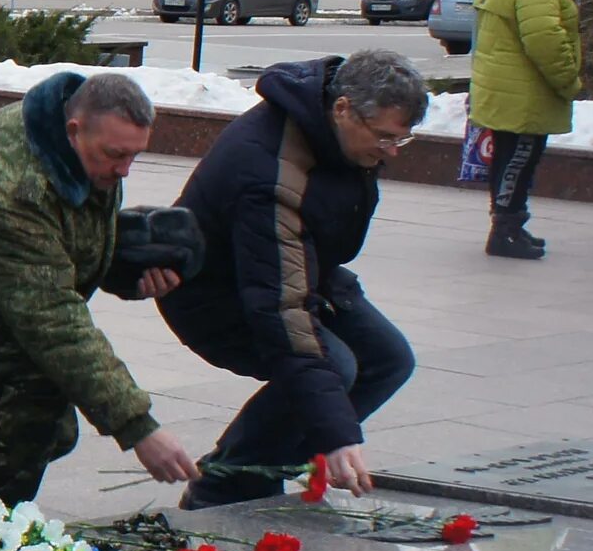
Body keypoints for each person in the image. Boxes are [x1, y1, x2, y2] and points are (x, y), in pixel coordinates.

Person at [0, 70, 200, 503]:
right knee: (37, 395)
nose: (125, 170)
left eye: (135, 155)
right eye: (116, 155)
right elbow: (51, 319)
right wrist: (138, 427)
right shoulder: (9, 189)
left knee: (51, 433)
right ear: (74, 130)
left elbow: (60, 244)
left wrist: (125, 273)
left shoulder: (74, 145)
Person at [158, 51, 425, 507]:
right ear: (342, 109)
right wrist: (338, 436)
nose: (392, 152)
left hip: (303, 272)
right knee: (334, 366)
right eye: (384, 137)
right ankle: (222, 484)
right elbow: (280, 309)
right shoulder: (268, 170)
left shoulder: (335, 128)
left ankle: (265, 470)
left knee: (389, 358)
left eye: (402, 139)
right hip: (216, 294)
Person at [467, 0, 582, 260]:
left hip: (505, 90)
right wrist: (568, 82)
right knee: (519, 160)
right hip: (526, 94)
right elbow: (545, 40)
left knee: (507, 158)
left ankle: (511, 225)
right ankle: (505, 230)